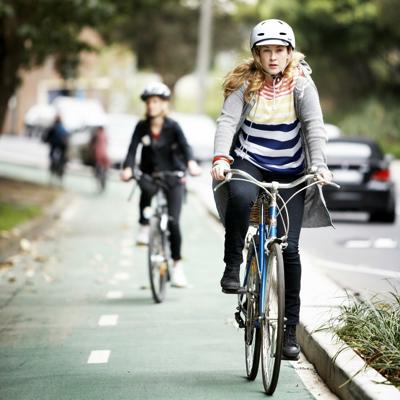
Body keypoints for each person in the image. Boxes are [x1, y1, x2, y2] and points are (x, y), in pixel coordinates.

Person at [211, 19, 333, 360]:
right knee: (238, 194)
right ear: (257, 55)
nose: (273, 57)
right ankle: (232, 265)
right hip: (251, 161)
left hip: (292, 170)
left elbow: (314, 126)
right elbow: (227, 121)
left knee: (290, 250)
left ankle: (289, 333)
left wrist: (319, 165)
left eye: (280, 50)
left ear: (290, 53)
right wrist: (222, 158)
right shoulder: (245, 85)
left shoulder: (302, 84)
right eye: (267, 51)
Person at [120, 82, 201, 288]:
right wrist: (128, 168)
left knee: (173, 222)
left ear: (164, 104)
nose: (151, 106)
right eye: (148, 102)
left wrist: (191, 164)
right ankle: (144, 225)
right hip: (151, 175)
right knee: (144, 186)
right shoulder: (141, 126)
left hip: (173, 177)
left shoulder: (173, 126)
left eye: (155, 102)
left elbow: (185, 147)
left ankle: (177, 266)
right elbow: (131, 150)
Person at [44, 115, 70, 181]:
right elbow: (67, 137)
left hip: (55, 145)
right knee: (61, 158)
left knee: (52, 156)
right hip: (62, 146)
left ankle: (54, 170)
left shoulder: (53, 127)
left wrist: (46, 140)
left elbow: (46, 136)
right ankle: (60, 171)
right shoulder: (63, 128)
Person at [90, 125, 110, 192]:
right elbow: (107, 144)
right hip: (105, 155)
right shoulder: (105, 135)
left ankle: (100, 180)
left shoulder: (95, 135)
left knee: (97, 170)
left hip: (97, 155)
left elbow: (92, 145)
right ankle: (103, 181)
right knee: (104, 170)